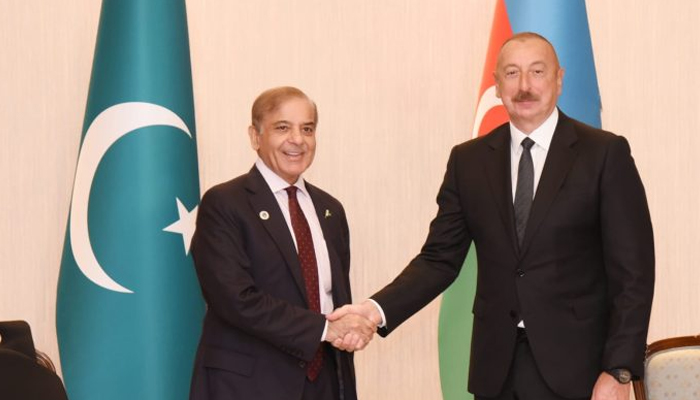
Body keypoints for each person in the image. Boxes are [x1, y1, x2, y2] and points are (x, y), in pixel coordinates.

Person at [329, 32, 655, 400]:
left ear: (559, 79)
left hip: (578, 371)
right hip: (495, 370)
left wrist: (619, 370)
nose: (525, 87)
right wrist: (374, 311)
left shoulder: (604, 154)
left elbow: (634, 273)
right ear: (497, 86)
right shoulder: (468, 161)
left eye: (537, 72)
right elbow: (439, 258)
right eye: (512, 74)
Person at [189, 86, 374, 400]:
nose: (297, 140)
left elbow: (331, 297)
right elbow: (235, 299)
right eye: (282, 127)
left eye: (307, 129)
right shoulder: (225, 203)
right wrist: (326, 329)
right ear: (255, 136)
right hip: (249, 384)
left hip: (325, 382)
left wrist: (353, 324)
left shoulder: (330, 209)